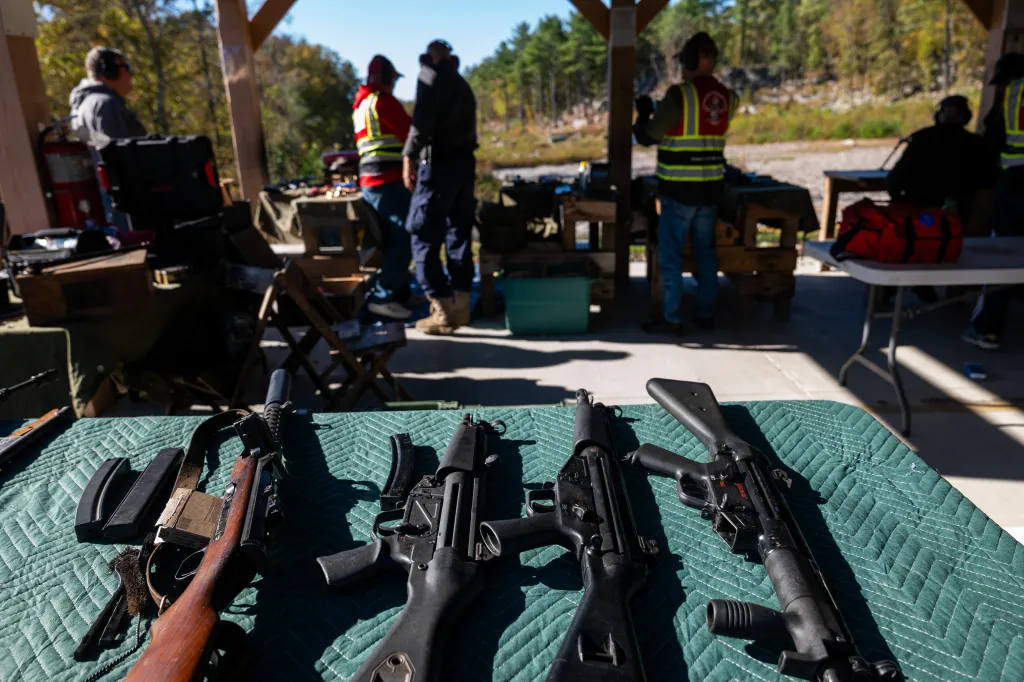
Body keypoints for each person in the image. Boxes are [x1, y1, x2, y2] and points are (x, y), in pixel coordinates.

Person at [634, 32, 737, 336]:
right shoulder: (729, 98)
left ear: (692, 61)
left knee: (671, 257)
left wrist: (642, 114)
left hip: (679, 191)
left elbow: (648, 136)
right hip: (711, 189)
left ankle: (673, 318)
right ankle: (705, 315)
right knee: (706, 254)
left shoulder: (680, 96)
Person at [403, 40, 478, 335]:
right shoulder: (462, 83)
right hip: (463, 167)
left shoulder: (429, 77)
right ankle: (461, 307)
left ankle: (443, 313)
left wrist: (408, 157)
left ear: (429, 59)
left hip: (438, 168)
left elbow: (421, 123)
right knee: (458, 234)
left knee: (423, 235)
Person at [963, 52, 1024, 350]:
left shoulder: (1014, 93)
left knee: (1001, 253)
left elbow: (992, 140)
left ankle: (986, 329)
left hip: (1016, 181)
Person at [354, 55, 417, 320]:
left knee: (390, 239)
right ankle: (383, 296)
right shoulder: (384, 102)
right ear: (388, 79)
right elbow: (410, 135)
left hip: (371, 182)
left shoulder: (361, 105)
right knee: (405, 236)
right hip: (387, 181)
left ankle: (399, 292)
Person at [887, 95, 997, 216]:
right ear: (966, 117)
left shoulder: (921, 138)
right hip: (963, 214)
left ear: (938, 116)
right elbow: (989, 181)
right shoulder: (977, 143)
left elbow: (895, 179)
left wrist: (900, 202)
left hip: (920, 214)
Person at [69, 47, 146, 150]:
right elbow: (124, 155)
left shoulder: (80, 107)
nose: (130, 75)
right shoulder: (107, 104)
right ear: (111, 71)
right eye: (126, 67)